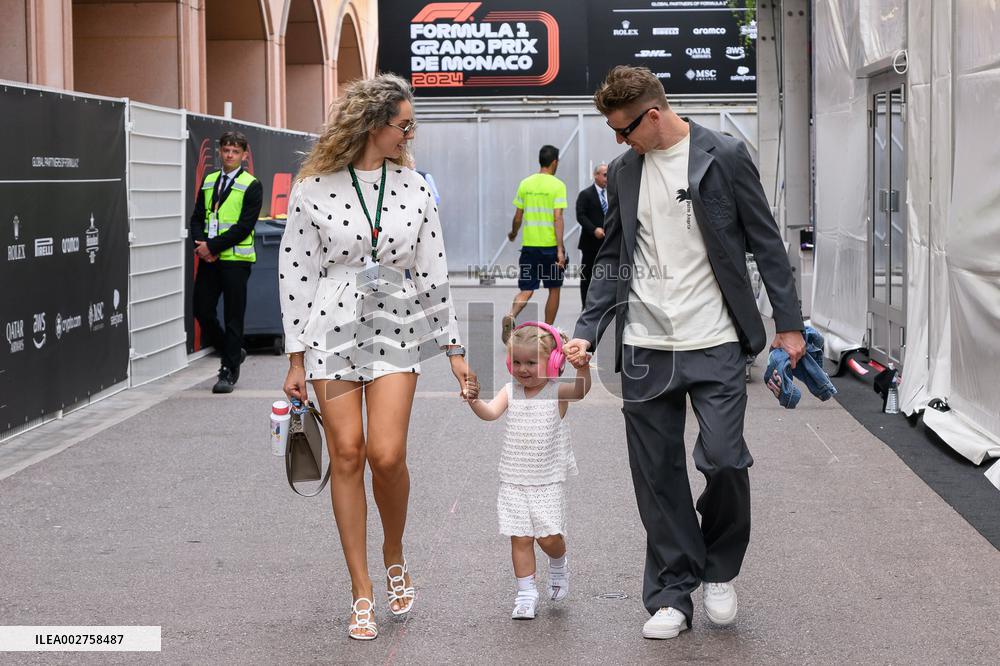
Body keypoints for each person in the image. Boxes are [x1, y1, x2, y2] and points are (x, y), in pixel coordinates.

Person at [563, 66, 806, 640]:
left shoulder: (724, 154)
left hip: (716, 338)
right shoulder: (626, 171)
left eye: (622, 129)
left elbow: (767, 244)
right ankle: (672, 591)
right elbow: (613, 257)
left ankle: (717, 568)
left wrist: (789, 327)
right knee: (657, 473)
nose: (616, 142)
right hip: (646, 345)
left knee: (723, 460)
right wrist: (587, 327)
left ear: (651, 116)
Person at [278, 74, 475, 641]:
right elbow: (295, 275)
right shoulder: (314, 187)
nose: (408, 134)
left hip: (397, 322)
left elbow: (434, 271)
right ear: (371, 123)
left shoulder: (415, 187)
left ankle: (394, 552)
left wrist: (455, 351)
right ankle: (361, 589)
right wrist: (295, 359)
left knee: (386, 455)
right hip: (330, 326)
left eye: (412, 125)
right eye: (402, 124)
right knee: (347, 453)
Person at [463, 322, 590, 620]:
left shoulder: (557, 391)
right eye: (517, 362)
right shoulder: (511, 391)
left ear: (554, 362)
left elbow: (582, 391)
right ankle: (525, 593)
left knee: (548, 538)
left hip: (546, 480)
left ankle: (558, 563)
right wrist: (474, 401)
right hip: (513, 479)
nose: (523, 369)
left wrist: (582, 368)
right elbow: (490, 413)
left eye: (531, 362)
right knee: (519, 537)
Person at [190, 130, 262, 394]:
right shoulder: (209, 181)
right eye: (225, 150)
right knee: (202, 310)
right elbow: (197, 217)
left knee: (233, 316)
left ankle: (228, 371)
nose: (229, 155)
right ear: (220, 152)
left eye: (235, 151)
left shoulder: (252, 185)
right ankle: (232, 350)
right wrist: (201, 245)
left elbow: (244, 227)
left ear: (243, 155)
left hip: (235, 261)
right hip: (209, 258)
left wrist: (213, 246)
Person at [502, 145, 568, 339]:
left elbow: (517, 217)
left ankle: (511, 315)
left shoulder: (525, 184)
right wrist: (560, 250)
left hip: (530, 247)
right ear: (554, 162)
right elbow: (558, 218)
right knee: (554, 289)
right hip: (549, 248)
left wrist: (514, 233)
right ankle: (547, 330)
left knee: (527, 289)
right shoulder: (557, 185)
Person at [575, 163, 609, 306]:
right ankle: (586, 305)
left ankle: (603, 303)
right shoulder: (586, 194)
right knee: (587, 275)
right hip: (590, 243)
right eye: (605, 175)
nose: (607, 178)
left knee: (607, 274)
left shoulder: (612, 194)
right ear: (596, 175)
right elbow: (581, 216)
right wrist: (594, 229)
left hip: (607, 242)